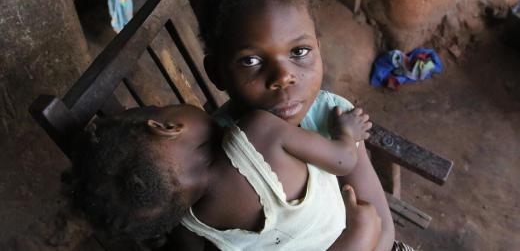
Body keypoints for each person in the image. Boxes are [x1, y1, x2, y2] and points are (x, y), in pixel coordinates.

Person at [197, 0, 400, 250]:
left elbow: (381, 225)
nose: (283, 77)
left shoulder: (332, 118)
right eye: (251, 61)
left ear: (319, 47)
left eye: (299, 51)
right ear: (216, 72)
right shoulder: (219, 153)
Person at [72, 104, 381, 250]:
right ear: (166, 127)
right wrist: (347, 132)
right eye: (159, 107)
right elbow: (343, 160)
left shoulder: (189, 226)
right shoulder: (259, 133)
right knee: (368, 226)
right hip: (348, 237)